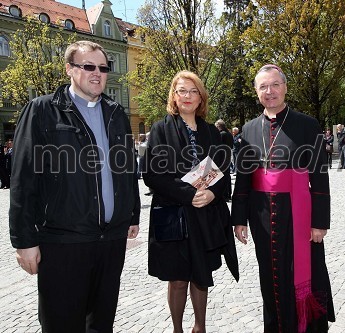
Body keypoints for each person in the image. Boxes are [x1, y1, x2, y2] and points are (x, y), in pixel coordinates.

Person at [9, 40, 141, 332]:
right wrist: (24, 241)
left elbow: (127, 167)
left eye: (103, 68)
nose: (97, 73)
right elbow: (23, 178)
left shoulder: (115, 112)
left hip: (110, 241)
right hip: (63, 242)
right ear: (69, 69)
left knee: (101, 323)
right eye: (88, 66)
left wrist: (132, 213)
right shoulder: (42, 111)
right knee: (62, 323)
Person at [232, 64, 335, 332]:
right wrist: (239, 219)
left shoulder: (307, 124)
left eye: (275, 85)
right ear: (256, 92)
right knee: (270, 275)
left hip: (298, 215)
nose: (270, 91)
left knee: (305, 274)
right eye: (263, 86)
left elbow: (319, 177)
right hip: (262, 216)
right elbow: (243, 178)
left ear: (285, 87)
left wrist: (319, 222)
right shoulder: (248, 129)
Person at [143, 70, 239, 333]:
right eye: (181, 91)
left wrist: (212, 193)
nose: (187, 96)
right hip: (174, 214)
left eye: (193, 91)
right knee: (177, 279)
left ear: (200, 98)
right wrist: (189, 194)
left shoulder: (211, 131)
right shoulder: (161, 128)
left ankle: (200, 327)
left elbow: (221, 170)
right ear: (174, 96)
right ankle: (177, 329)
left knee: (201, 276)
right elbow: (152, 174)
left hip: (204, 214)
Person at [215, 119, 233, 201]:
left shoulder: (221, 134)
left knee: (222, 175)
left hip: (222, 157)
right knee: (227, 175)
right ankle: (228, 194)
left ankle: (224, 194)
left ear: (219, 126)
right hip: (228, 156)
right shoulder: (229, 134)